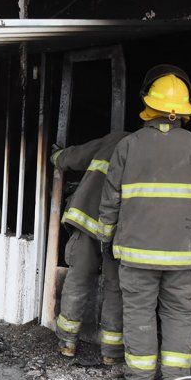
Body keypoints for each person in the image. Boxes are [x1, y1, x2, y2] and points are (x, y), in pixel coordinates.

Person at [98, 65, 191, 380]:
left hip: (137, 254)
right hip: (185, 257)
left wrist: (106, 239)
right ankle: (177, 378)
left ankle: (140, 378)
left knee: (139, 312)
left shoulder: (129, 146)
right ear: (184, 111)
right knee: (181, 314)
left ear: (148, 106)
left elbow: (110, 202)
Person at [51, 131, 129, 365]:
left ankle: (67, 342)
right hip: (118, 229)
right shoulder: (149, 151)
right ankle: (111, 353)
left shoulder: (115, 139)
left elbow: (76, 156)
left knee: (78, 278)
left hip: (87, 219)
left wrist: (56, 156)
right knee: (116, 288)